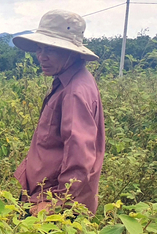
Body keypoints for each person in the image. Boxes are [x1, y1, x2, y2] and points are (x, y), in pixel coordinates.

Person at [12, 10, 105, 215]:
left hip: (53, 207)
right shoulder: (68, 81)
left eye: (50, 50)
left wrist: (55, 203)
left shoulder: (75, 91)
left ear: (71, 52)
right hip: (42, 196)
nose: (41, 57)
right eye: (39, 48)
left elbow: (79, 158)